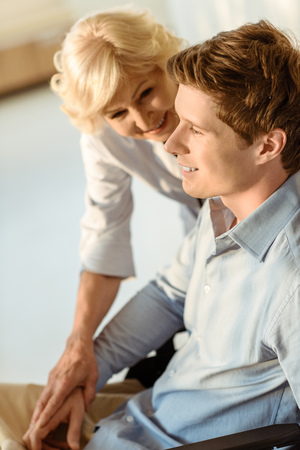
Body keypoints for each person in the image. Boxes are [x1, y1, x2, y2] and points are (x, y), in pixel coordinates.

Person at [2, 17, 300, 450]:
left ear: (267, 145)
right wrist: (87, 365)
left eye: (193, 129)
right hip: (143, 414)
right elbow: (166, 291)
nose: (168, 141)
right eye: (118, 112)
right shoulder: (218, 207)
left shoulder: (290, 282)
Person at [27, 6, 200, 436]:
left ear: (165, 59)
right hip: (203, 228)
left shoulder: (222, 96)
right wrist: (81, 349)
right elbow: (107, 235)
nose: (143, 123)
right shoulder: (104, 135)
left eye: (146, 92)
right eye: (117, 113)